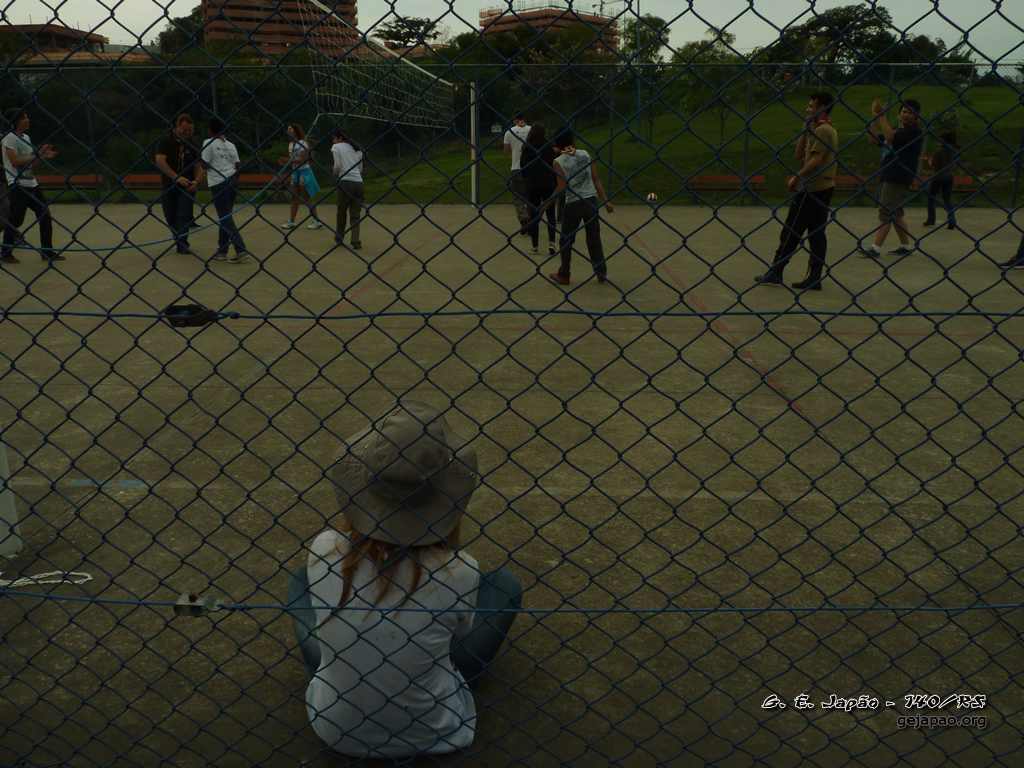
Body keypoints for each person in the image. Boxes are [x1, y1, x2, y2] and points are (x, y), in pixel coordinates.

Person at [287, 400, 522, 759]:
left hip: (335, 728)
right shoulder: (459, 569)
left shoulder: (325, 548)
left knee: (302, 581)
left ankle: (353, 677)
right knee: (504, 584)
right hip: (436, 732)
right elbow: (460, 633)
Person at [755, 91, 838, 291]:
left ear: (821, 108)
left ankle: (776, 270)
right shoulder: (822, 129)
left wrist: (796, 178)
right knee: (816, 233)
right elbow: (799, 155)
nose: (807, 109)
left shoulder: (823, 130)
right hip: (824, 188)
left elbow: (815, 162)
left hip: (813, 189)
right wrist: (804, 131)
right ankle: (814, 276)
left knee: (792, 229)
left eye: (811, 106)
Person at [544, 126, 614, 285]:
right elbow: (595, 179)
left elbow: (561, 188)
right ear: (573, 140)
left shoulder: (558, 161)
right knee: (594, 237)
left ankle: (564, 273)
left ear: (556, 143)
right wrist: (606, 201)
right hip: (591, 200)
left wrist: (546, 205)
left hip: (573, 203)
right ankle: (601, 271)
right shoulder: (585, 154)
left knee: (566, 239)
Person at [861, 98, 924, 257]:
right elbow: (873, 139)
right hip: (889, 173)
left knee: (886, 211)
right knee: (896, 213)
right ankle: (905, 245)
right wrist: (875, 117)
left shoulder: (914, 131)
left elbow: (889, 138)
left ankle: (876, 248)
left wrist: (882, 115)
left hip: (898, 176)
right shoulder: (898, 129)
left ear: (916, 115)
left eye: (910, 112)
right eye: (904, 111)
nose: (906, 115)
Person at [2, 108, 59, 263]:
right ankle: (6, 253)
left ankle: (47, 251)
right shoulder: (9, 138)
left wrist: (43, 157)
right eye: (24, 118)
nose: (27, 120)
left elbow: (30, 162)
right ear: (15, 121)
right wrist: (36, 155)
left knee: (45, 216)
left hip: (31, 183)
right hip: (17, 184)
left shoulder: (26, 138)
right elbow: (14, 161)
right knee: (16, 219)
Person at [200, 116, 249, 263]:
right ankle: (222, 250)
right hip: (232, 181)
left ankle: (240, 249)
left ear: (210, 129)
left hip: (219, 182)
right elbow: (238, 166)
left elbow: (204, 164)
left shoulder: (208, 143)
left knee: (225, 218)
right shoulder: (230, 145)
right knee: (225, 216)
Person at [155, 113, 204, 255]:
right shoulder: (166, 140)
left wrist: (197, 181)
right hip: (169, 184)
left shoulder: (194, 144)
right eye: (185, 130)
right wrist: (176, 177)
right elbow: (160, 160)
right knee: (169, 214)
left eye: (191, 130)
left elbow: (201, 166)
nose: (188, 133)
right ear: (177, 126)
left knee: (183, 214)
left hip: (187, 186)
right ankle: (178, 237)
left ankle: (183, 244)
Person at [519, 122, 558, 256]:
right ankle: (551, 242)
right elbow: (553, 163)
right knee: (551, 213)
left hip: (533, 184)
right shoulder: (548, 147)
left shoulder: (526, 148)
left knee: (534, 214)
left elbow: (523, 166)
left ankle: (535, 246)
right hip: (548, 183)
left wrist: (528, 177)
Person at [278, 123, 324, 231]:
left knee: (306, 197)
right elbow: (292, 161)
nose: (288, 131)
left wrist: (289, 160)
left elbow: (304, 160)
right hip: (295, 172)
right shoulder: (291, 145)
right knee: (294, 197)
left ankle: (316, 220)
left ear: (295, 130)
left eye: (290, 129)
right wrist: (286, 163)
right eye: (287, 129)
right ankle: (291, 221)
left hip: (304, 172)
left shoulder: (302, 143)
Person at [331, 128, 364, 250]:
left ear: (340, 138)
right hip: (358, 182)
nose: (334, 141)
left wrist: (336, 173)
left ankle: (339, 236)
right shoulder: (357, 149)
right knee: (355, 214)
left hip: (345, 182)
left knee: (341, 211)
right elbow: (360, 169)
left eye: (335, 138)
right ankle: (355, 239)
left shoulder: (337, 147)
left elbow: (337, 166)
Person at [921, 131, 958, 230]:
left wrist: (928, 160)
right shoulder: (951, 150)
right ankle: (952, 219)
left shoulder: (937, 151)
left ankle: (931, 219)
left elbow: (934, 164)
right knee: (947, 199)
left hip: (938, 176)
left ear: (942, 140)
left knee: (931, 198)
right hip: (949, 175)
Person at [503, 112, 530, 235]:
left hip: (516, 167)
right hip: (530, 167)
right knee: (530, 196)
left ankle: (523, 217)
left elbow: (506, 153)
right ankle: (531, 220)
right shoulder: (531, 130)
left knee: (517, 196)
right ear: (524, 117)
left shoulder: (510, 132)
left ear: (514, 119)